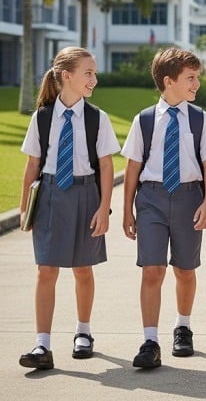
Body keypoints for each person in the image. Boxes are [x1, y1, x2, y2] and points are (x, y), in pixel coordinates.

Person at [121, 47, 206, 369]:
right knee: (153, 269)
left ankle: (183, 326)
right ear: (169, 81)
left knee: (184, 268)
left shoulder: (200, 119)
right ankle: (150, 340)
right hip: (150, 198)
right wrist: (126, 211)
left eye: (197, 78)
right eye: (190, 78)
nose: (196, 84)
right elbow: (133, 167)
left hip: (189, 198)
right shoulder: (145, 120)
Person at [19, 47, 120, 370]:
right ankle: (42, 345)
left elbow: (106, 166)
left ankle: (83, 332)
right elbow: (33, 164)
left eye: (94, 72)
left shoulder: (97, 118)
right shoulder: (43, 117)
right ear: (67, 76)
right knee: (46, 270)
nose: (94, 79)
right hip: (50, 195)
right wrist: (25, 209)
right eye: (88, 73)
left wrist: (104, 208)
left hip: (85, 194)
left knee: (82, 268)